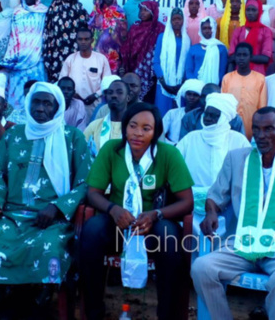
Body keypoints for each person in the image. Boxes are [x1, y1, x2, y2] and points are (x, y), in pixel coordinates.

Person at [0, 83, 91, 304]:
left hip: (51, 220)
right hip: (9, 215)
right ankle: (1, 296)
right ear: (28, 103)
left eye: (47, 103)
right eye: (36, 101)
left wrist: (57, 207)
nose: (40, 108)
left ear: (57, 107)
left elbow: (86, 183)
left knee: (48, 248)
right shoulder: (14, 134)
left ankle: (39, 299)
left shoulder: (72, 137)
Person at [192, 107, 275, 320]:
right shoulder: (236, 160)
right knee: (202, 267)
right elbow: (215, 195)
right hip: (240, 243)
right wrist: (211, 212)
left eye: (268, 129)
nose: (261, 135)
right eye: (256, 129)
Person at [82, 103, 194, 319]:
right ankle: (93, 311)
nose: (138, 133)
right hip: (118, 225)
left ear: (156, 132)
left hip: (153, 229)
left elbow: (187, 202)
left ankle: (167, 314)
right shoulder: (112, 150)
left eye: (146, 128)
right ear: (125, 127)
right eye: (133, 126)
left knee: (168, 235)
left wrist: (156, 215)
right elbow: (93, 193)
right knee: (91, 231)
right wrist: (113, 209)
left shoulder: (168, 153)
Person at [176, 93, 249, 214]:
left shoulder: (238, 140)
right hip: (191, 203)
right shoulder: (190, 138)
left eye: (214, 116)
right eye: (207, 114)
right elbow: (175, 165)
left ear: (224, 118)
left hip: (229, 204)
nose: (208, 118)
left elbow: (248, 171)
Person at [0, 0, 49, 111]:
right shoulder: (17, 12)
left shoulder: (44, 11)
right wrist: (8, 60)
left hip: (36, 59)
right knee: (17, 93)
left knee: (37, 91)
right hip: (18, 60)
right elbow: (13, 37)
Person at [60, 27, 111, 120]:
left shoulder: (101, 59)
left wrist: (95, 95)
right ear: (76, 40)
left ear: (92, 40)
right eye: (80, 39)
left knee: (93, 129)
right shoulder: (70, 59)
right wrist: (73, 94)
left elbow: (107, 83)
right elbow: (62, 81)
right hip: (72, 103)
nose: (83, 42)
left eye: (86, 39)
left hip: (95, 104)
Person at [43, 0, 89, 82]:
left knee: (73, 79)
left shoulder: (79, 9)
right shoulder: (53, 8)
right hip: (56, 52)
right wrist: (48, 50)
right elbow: (48, 31)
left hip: (73, 51)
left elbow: (84, 32)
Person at [221, 43, 267, 140]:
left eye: (245, 55)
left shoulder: (260, 79)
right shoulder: (227, 78)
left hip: (251, 125)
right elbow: (223, 105)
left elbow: (262, 107)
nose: (241, 58)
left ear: (251, 57)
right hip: (230, 124)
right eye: (238, 55)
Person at [121, 0, 165, 101]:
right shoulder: (135, 27)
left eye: (146, 10)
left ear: (153, 12)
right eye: (141, 10)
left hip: (152, 72)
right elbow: (127, 46)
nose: (142, 12)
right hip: (134, 66)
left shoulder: (160, 28)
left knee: (149, 99)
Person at [153, 8, 191, 115]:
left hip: (180, 86)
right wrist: (164, 83)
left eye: (179, 19)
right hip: (163, 85)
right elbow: (156, 62)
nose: (177, 21)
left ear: (183, 21)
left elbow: (187, 65)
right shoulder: (162, 37)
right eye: (174, 19)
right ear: (170, 20)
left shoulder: (187, 40)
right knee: (162, 115)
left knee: (178, 116)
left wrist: (182, 83)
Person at [180, 83, 246, 138]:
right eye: (203, 96)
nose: (206, 100)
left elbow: (240, 145)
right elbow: (183, 144)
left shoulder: (234, 119)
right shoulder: (189, 117)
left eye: (211, 97)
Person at [84, 77, 128, 156]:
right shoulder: (94, 126)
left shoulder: (135, 127)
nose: (114, 95)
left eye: (119, 92)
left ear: (128, 97)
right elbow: (82, 153)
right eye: (110, 92)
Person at [88, 0, 127, 73]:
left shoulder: (120, 12)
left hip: (113, 51)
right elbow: (89, 29)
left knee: (110, 77)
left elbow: (124, 35)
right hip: (96, 50)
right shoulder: (96, 11)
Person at [230, 0, 272, 75]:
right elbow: (232, 56)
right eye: (248, 10)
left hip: (258, 73)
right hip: (239, 73)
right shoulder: (238, 31)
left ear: (259, 12)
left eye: (253, 10)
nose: (250, 13)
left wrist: (242, 57)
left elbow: (266, 58)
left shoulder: (266, 31)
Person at [185, 17, 228, 85]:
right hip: (195, 87)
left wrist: (213, 86)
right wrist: (195, 84)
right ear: (200, 30)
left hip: (214, 87)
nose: (207, 31)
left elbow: (222, 71)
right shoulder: (193, 49)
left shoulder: (221, 49)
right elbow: (189, 70)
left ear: (214, 29)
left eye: (209, 28)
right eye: (204, 28)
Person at [161, 79, 204, 144]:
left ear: (200, 98)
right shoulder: (172, 113)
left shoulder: (202, 117)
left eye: (195, 95)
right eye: (189, 94)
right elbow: (159, 133)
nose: (191, 97)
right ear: (185, 95)